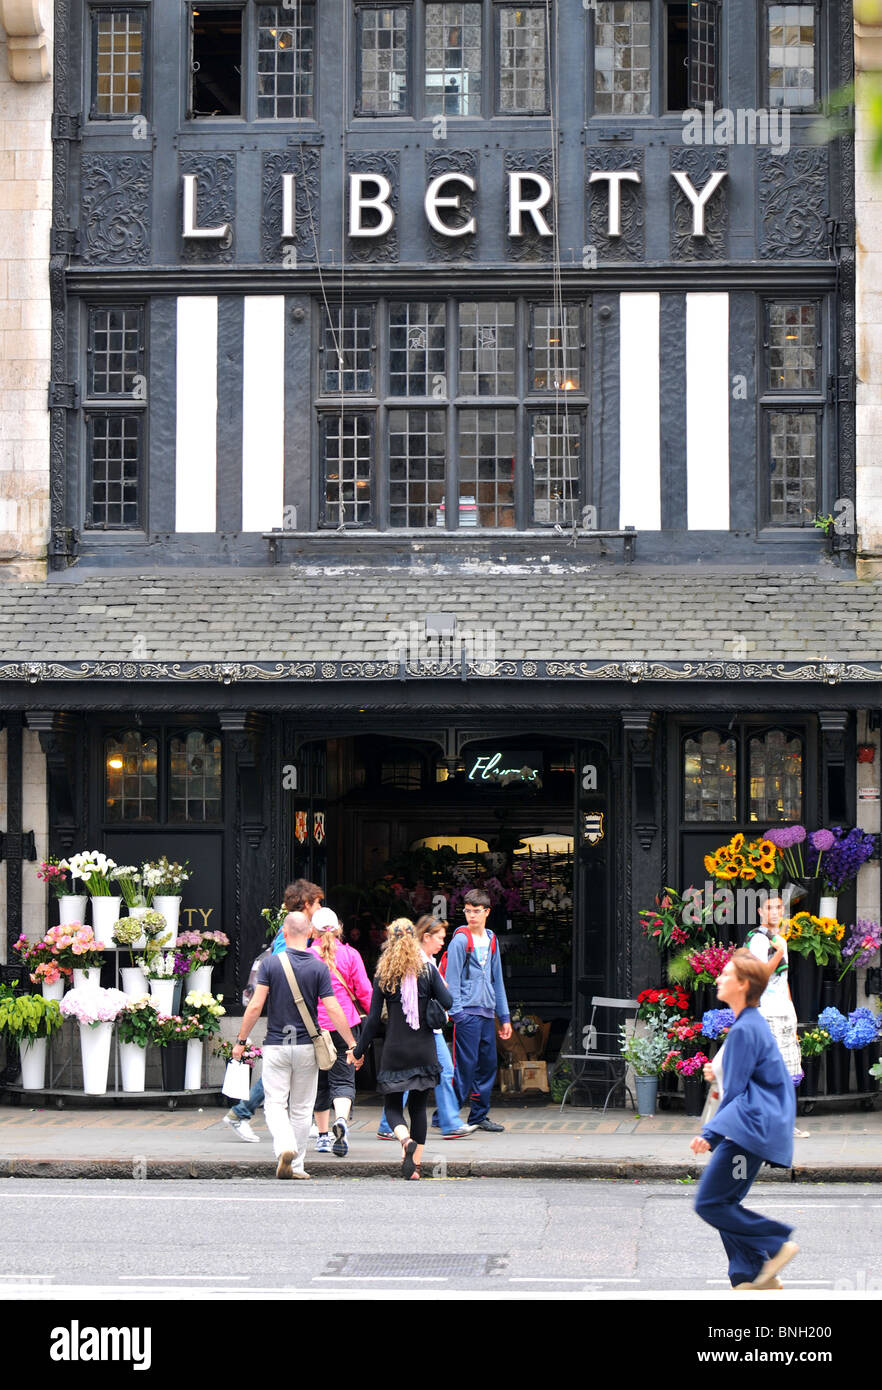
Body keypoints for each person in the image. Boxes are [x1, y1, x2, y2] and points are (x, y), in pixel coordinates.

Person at [690, 948, 799, 1290]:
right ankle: (749, 1275)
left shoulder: (744, 1029)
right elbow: (744, 1078)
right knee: (725, 1202)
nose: (718, 978)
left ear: (743, 984)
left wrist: (710, 1133)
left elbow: (736, 1092)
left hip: (748, 1132)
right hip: (753, 1129)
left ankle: (776, 1242)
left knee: (709, 1202)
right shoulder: (748, 1024)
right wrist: (716, 1071)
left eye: (725, 974)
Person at [232, 911, 357, 1180]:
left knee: (275, 1104)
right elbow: (333, 1009)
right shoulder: (319, 967)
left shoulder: (271, 964)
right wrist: (351, 1043)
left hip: (276, 1045)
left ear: (284, 934)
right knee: (302, 1108)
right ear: (310, 933)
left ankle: (284, 1148)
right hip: (306, 1047)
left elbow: (255, 1006)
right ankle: (297, 1165)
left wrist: (241, 1041)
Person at [350, 918, 453, 1180]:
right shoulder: (427, 971)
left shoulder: (384, 974)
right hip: (424, 1050)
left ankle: (405, 1140)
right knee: (418, 1108)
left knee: (393, 1106)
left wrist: (358, 1051)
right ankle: (415, 1168)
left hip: (395, 1051)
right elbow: (448, 1001)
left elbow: (372, 1021)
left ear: (389, 940)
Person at [376, 916, 477, 1140]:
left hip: (409, 1037)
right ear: (426, 937)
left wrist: (358, 1050)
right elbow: (446, 999)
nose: (443, 943)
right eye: (439, 938)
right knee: (421, 1083)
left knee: (407, 1077)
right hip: (425, 1033)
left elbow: (374, 1016)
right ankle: (444, 1125)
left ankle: (393, 1124)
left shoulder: (418, 961)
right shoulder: (422, 962)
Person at [445, 889, 512, 1132]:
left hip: (486, 1012)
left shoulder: (492, 940)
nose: (471, 915)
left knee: (487, 1065)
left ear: (487, 912)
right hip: (467, 1013)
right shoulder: (460, 941)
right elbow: (451, 981)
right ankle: (447, 1113)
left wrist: (503, 1017)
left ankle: (478, 1115)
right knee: (464, 1065)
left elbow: (498, 981)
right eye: (467, 911)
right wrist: (458, 1014)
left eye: (476, 911)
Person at [309, 906, 372, 1156]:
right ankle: (342, 1120)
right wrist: (374, 1017)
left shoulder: (304, 956)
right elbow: (364, 991)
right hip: (346, 1025)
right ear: (339, 928)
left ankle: (323, 1136)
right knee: (344, 1078)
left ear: (312, 930)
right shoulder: (350, 955)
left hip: (314, 1028)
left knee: (320, 1082)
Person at [746, 894, 809, 1139]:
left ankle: (782, 1124)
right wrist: (778, 952)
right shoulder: (758, 941)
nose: (775, 912)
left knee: (788, 1071)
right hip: (766, 1012)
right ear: (761, 912)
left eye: (779, 907)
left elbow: (783, 981)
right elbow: (760, 975)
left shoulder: (779, 939)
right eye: (770, 907)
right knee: (771, 1071)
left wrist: (792, 1010)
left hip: (783, 1012)